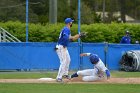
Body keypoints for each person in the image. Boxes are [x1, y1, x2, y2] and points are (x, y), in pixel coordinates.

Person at [55, 18, 81, 82]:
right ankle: (59, 77)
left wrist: (79, 36)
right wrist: (78, 36)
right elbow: (67, 37)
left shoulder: (67, 29)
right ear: (69, 23)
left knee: (68, 59)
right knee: (63, 62)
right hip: (60, 47)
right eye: (71, 22)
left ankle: (65, 74)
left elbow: (70, 39)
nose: (72, 23)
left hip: (63, 47)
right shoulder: (66, 29)